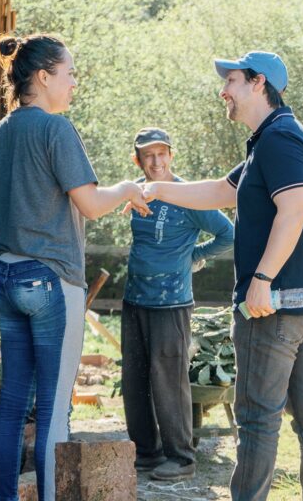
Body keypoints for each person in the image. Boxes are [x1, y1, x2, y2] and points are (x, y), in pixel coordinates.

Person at [143, 51, 303, 501]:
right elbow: (220, 191)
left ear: (257, 84)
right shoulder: (269, 139)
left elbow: (294, 211)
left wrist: (263, 278)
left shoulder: (281, 140)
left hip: (275, 305)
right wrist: (154, 188)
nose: (223, 91)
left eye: (230, 81)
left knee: (255, 418)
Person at [0, 34, 149, 501]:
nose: (74, 83)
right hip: (52, 282)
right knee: (53, 411)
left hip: (6, 279)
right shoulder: (56, 130)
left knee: (12, 405)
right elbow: (91, 205)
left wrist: (20, 238)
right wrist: (128, 188)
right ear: (44, 77)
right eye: (69, 73)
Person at [121, 127, 234, 481]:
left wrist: (194, 256)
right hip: (134, 298)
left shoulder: (189, 196)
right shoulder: (136, 192)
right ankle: (146, 453)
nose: (155, 161)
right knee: (135, 380)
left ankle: (182, 458)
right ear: (137, 160)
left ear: (171, 155)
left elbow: (229, 233)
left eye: (161, 154)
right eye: (147, 155)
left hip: (171, 303)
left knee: (168, 380)